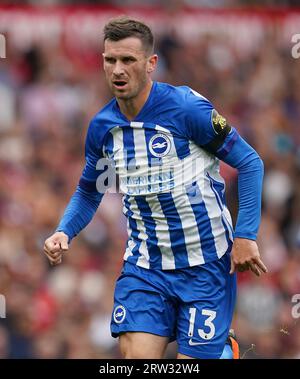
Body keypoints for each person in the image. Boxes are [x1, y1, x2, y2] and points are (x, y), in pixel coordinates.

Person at [43, 17, 268, 359]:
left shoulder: (186, 109)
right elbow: (91, 190)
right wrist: (64, 231)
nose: (118, 69)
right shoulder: (103, 128)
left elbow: (250, 162)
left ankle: (224, 350)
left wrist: (246, 234)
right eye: (110, 60)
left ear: (151, 64)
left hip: (205, 263)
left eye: (128, 60)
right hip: (146, 267)